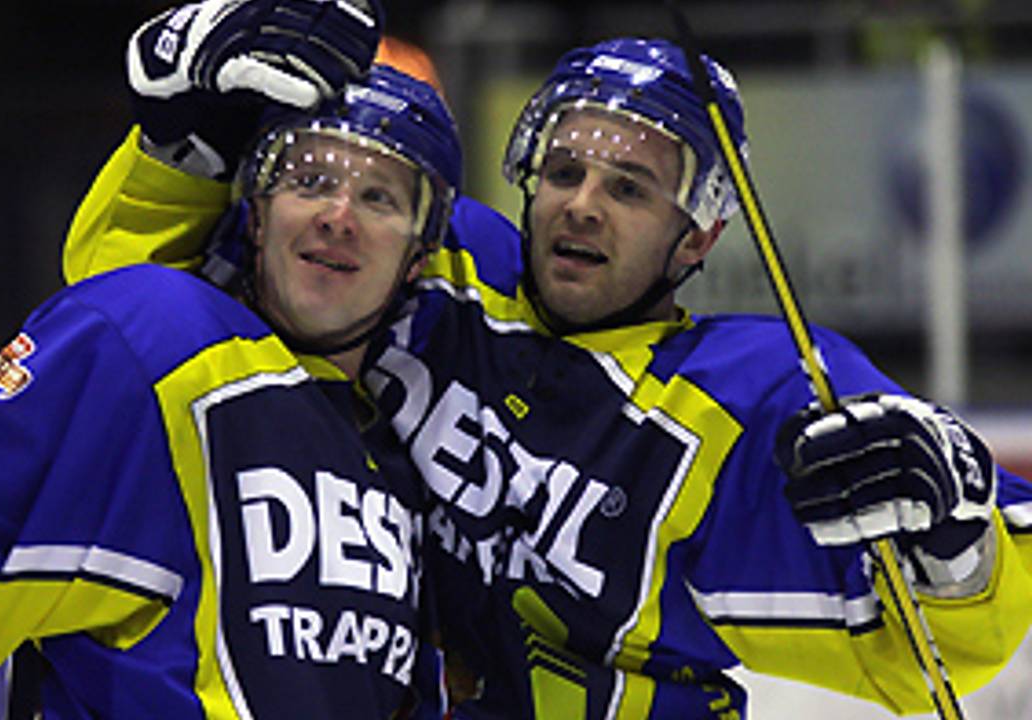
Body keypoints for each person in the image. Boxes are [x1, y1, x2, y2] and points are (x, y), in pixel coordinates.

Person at [63, 24, 1032, 720]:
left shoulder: (753, 390)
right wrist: (183, 155)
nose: (581, 205)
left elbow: (925, 663)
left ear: (698, 232)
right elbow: (126, 315)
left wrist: (954, 543)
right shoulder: (435, 265)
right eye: (561, 170)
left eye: (628, 189)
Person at [0, 2, 469, 718]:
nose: (339, 215)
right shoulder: (163, 337)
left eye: (378, 197)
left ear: (419, 253)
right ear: (253, 208)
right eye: (310, 180)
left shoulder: (408, 445)